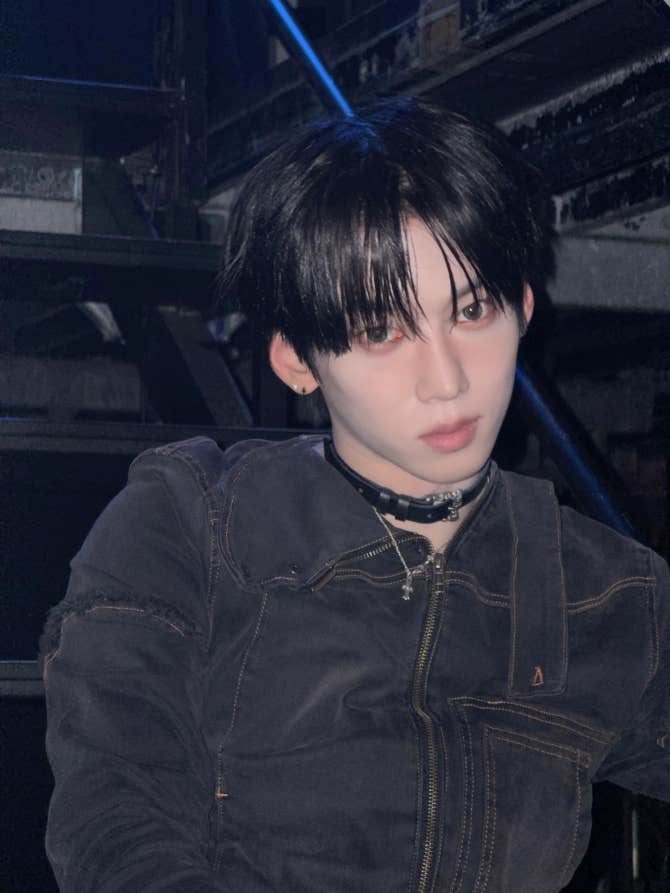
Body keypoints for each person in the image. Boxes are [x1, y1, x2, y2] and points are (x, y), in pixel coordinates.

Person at [41, 97, 670, 892]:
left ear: (522, 306)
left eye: (472, 310)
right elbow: (117, 823)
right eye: (381, 331)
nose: (447, 380)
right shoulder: (189, 527)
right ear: (298, 360)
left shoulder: (605, 588)